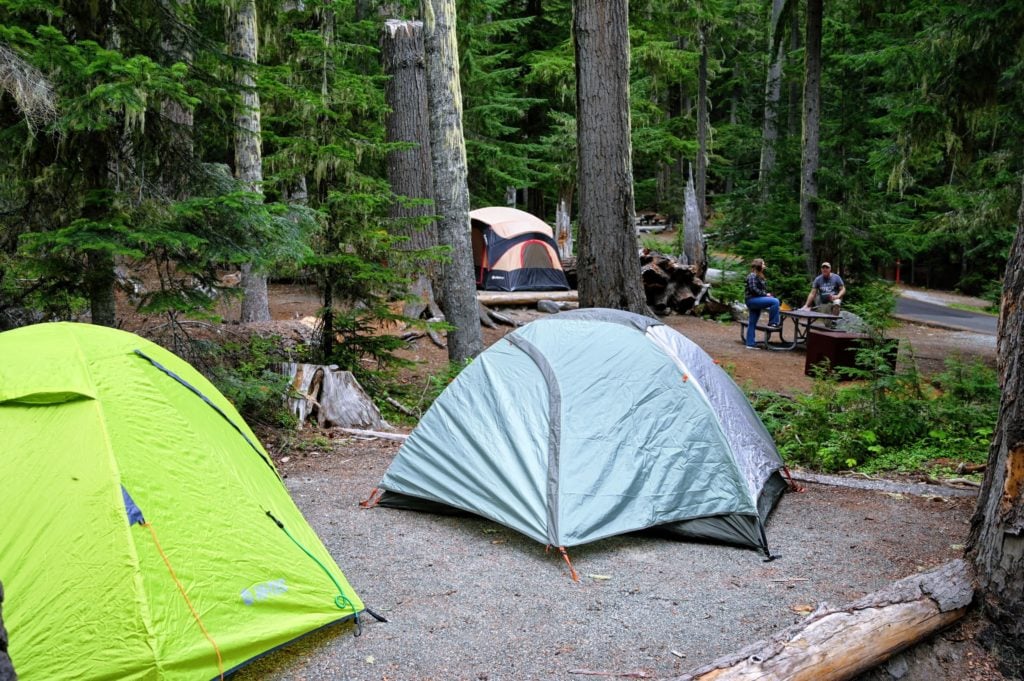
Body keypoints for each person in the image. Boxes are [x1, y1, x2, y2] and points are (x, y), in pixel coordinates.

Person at [744, 258, 781, 349]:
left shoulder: (759, 275)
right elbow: (753, 289)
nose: (764, 266)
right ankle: (773, 323)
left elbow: (759, 289)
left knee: (752, 322)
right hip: (752, 299)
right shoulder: (752, 275)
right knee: (775, 301)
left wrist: (764, 295)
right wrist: (765, 295)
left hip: (755, 299)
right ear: (759, 265)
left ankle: (750, 343)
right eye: (763, 264)